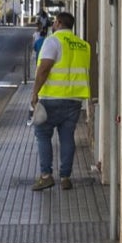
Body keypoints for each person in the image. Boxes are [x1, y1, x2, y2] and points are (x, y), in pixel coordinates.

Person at [30, 11, 91, 191]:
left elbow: (44, 69)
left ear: (57, 23)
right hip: (74, 100)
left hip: (51, 99)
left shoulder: (53, 41)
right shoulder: (83, 45)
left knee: (42, 135)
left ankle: (46, 176)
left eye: (54, 22)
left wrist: (35, 93)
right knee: (67, 138)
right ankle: (65, 178)